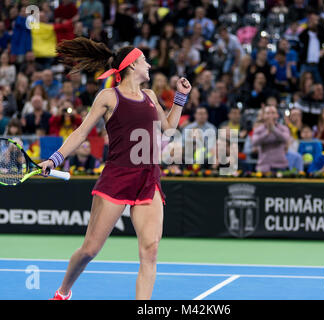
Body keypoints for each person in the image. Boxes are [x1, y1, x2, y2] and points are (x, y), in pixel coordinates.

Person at [38, 38, 192, 300]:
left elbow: (168, 129)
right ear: (132, 65)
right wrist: (54, 158)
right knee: (90, 250)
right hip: (117, 177)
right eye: (144, 59)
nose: (149, 64)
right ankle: (63, 292)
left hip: (148, 177)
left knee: (150, 249)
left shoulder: (150, 96)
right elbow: (81, 132)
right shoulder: (109, 96)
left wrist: (180, 98)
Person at [251, 105, 290, 172]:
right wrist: (266, 133)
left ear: (277, 115)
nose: (270, 115)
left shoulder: (283, 128)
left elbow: (285, 139)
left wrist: (273, 129)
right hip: (263, 167)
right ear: (264, 115)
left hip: (280, 166)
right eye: (268, 113)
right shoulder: (258, 130)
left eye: (273, 113)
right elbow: (254, 142)